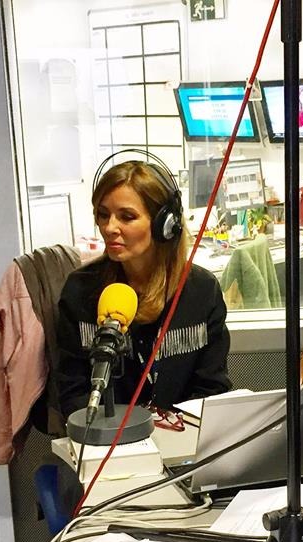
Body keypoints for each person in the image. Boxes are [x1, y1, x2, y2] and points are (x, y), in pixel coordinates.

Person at [56, 160, 231, 419]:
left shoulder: (201, 291)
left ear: (165, 224)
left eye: (127, 217)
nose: (109, 228)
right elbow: (73, 394)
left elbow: (212, 389)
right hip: (105, 437)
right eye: (103, 215)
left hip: (184, 436)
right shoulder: (80, 291)